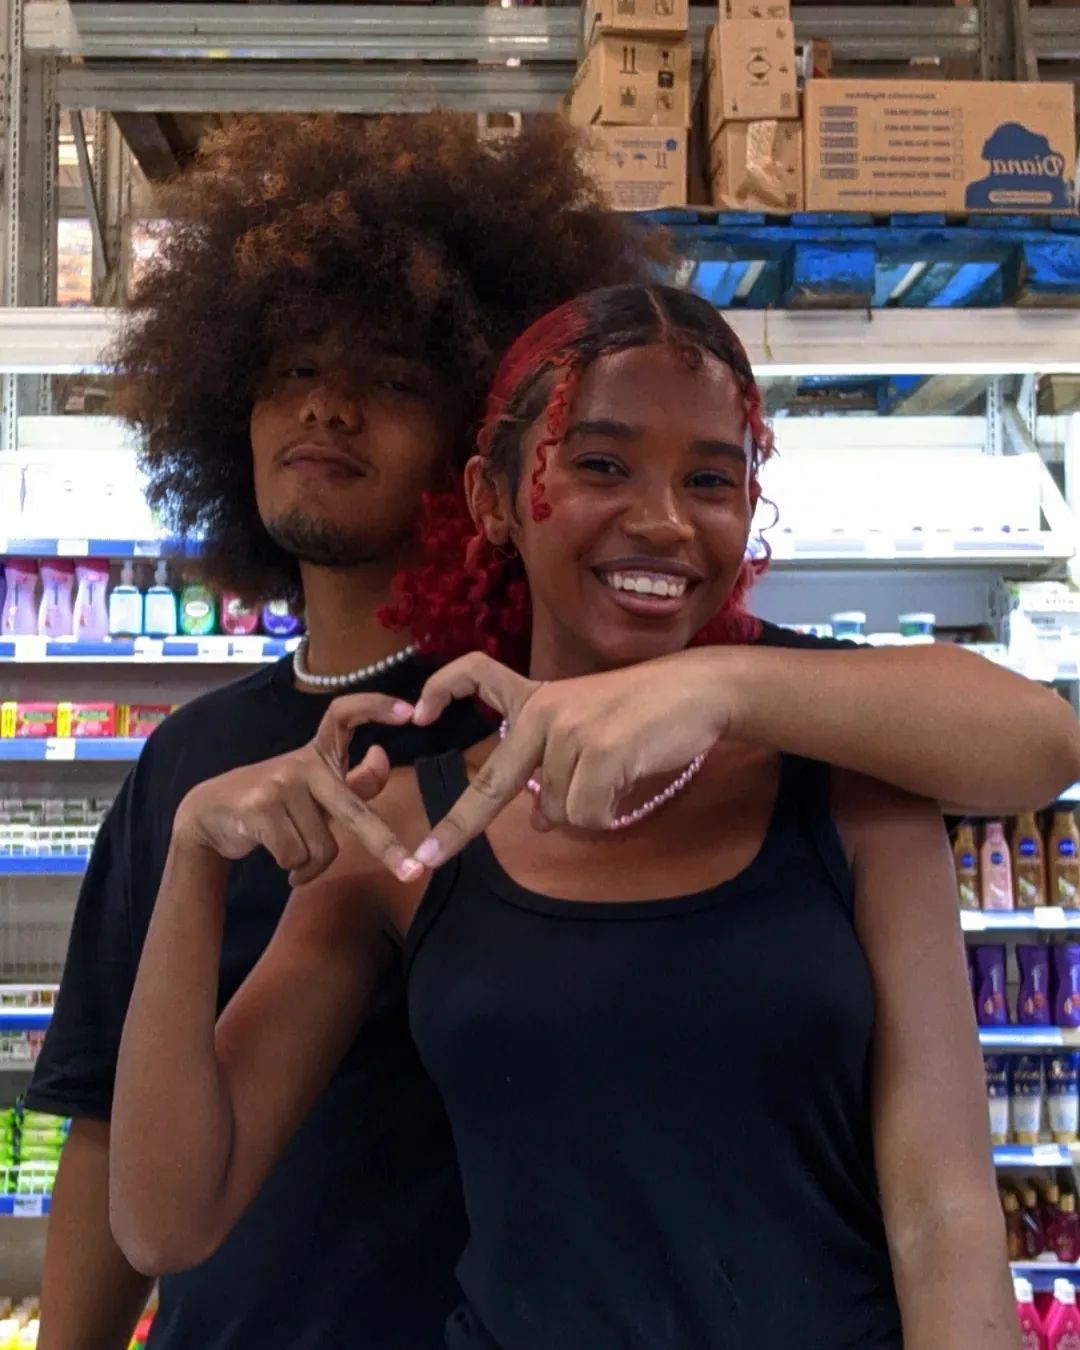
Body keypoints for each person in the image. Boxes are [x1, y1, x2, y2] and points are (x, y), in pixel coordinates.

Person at [113, 285, 1030, 1348]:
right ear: (493, 499)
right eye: (601, 464)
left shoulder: (851, 790)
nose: (664, 520)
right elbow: (168, 1219)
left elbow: (945, 1219)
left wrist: (719, 686)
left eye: (711, 479)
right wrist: (192, 859)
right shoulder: (406, 834)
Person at [27, 113, 654, 1350]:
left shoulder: (534, 723)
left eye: (393, 380)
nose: (327, 407)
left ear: (484, 450)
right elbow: (102, 1123)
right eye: (293, 369)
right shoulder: (189, 766)